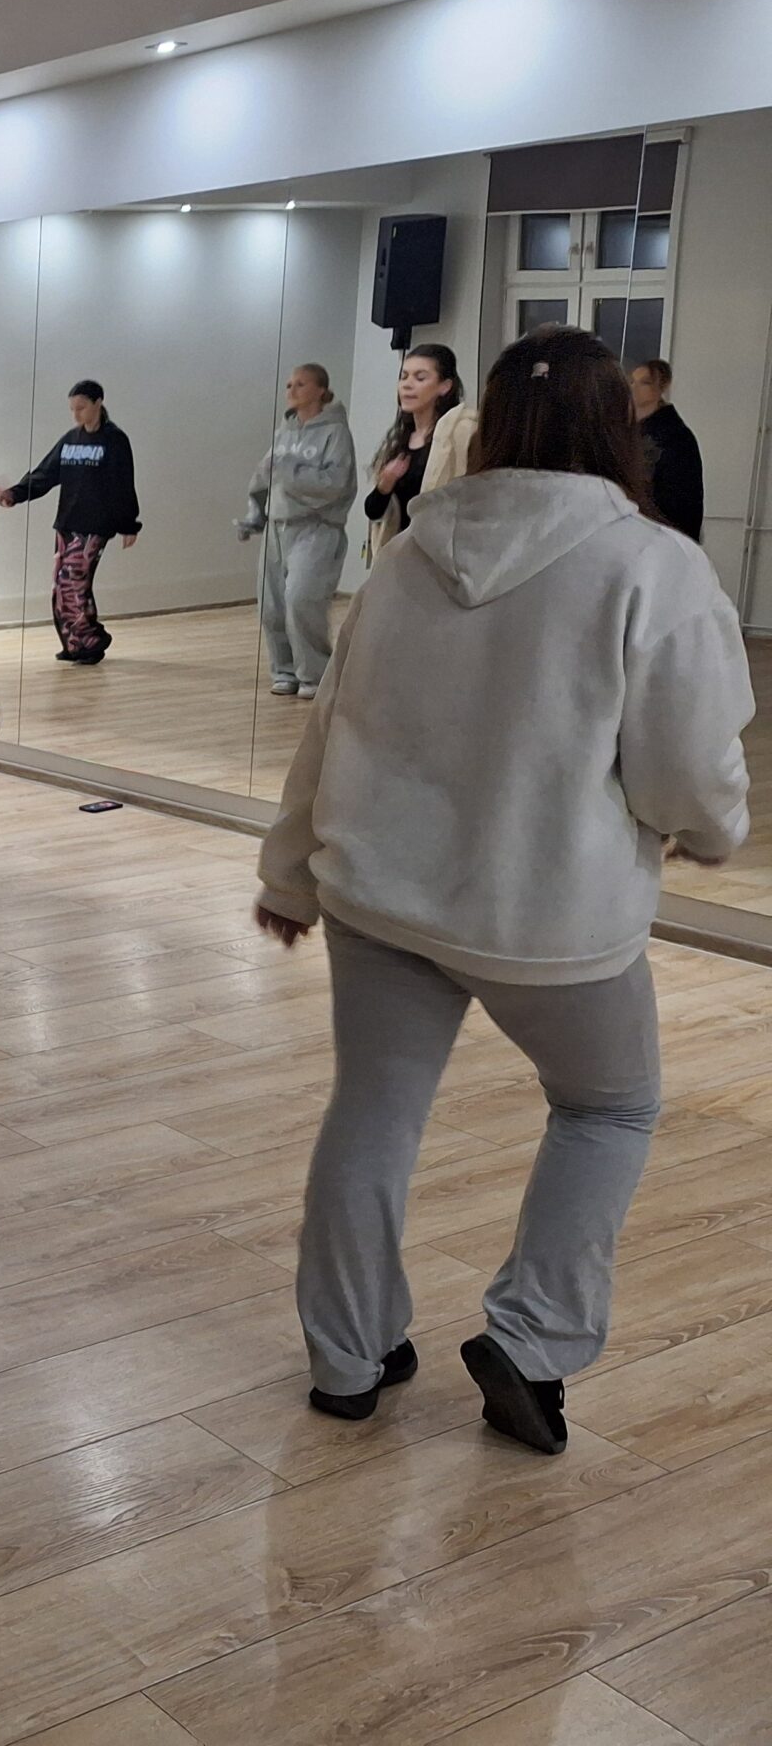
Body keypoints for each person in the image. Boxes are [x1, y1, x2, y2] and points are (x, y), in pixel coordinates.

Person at [257, 323, 751, 1455]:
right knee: (607, 1106)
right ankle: (531, 1343)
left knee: (372, 1112)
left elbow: (332, 725)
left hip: (382, 895)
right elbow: (685, 766)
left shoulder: (406, 555)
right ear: (615, 428)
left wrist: (287, 871)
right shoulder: (651, 564)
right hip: (551, 912)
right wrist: (710, 828)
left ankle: (348, 1356)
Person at [237, 364, 359, 700]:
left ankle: (315, 674)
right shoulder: (284, 432)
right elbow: (262, 478)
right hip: (278, 530)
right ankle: (285, 671)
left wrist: (291, 471)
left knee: (302, 600)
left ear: (321, 390)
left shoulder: (335, 433)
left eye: (301, 384)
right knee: (272, 607)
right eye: (289, 384)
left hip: (316, 529)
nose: (291, 390)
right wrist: (255, 516)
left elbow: (334, 484)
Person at [0, 379, 139, 663]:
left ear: (98, 403)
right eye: (72, 409)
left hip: (95, 525)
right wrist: (16, 493)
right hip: (67, 523)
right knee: (60, 587)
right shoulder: (71, 440)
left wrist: (128, 524)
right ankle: (74, 643)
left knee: (76, 582)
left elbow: (123, 483)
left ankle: (92, 641)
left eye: (81, 407)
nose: (76, 414)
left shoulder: (114, 440)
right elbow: (46, 473)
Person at [362, 343, 478, 555]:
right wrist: (385, 484)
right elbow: (373, 512)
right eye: (404, 377)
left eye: (420, 378)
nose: (407, 385)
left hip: (443, 558)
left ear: (445, 386)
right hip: (400, 557)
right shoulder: (399, 442)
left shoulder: (463, 433)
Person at [632, 359, 704, 543]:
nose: (634, 388)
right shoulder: (630, 430)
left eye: (645, 383)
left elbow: (682, 501)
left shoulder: (676, 437)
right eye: (632, 381)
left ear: (661, 387)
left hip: (662, 532)